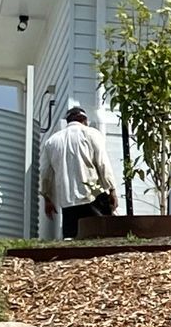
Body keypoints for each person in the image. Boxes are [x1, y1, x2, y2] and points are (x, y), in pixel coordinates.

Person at [39, 102, 119, 240]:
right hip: (92, 196)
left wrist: (47, 198)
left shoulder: (52, 142)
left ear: (68, 121)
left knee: (71, 239)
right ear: (84, 120)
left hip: (68, 201)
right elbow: (102, 163)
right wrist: (112, 189)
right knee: (101, 237)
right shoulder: (91, 134)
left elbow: (45, 174)